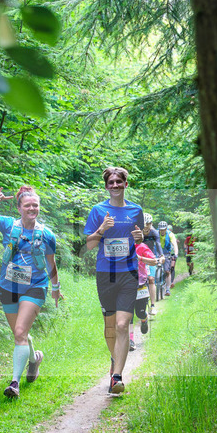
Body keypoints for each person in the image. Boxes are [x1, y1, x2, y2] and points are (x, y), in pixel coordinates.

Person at [0, 186, 62, 398]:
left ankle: (14, 383)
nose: (32, 208)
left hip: (35, 287)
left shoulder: (47, 235)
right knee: (19, 334)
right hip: (9, 286)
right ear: (19, 208)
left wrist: (56, 288)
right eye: (27, 205)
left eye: (35, 205)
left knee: (20, 333)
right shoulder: (7, 225)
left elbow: (51, 262)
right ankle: (34, 359)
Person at [83, 166, 144, 394]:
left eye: (119, 182)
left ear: (126, 184)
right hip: (105, 274)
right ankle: (115, 358)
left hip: (129, 272)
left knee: (122, 325)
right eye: (111, 182)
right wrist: (101, 229)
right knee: (110, 326)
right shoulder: (98, 210)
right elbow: (89, 245)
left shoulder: (135, 210)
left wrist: (139, 237)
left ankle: (117, 377)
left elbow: (138, 239)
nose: (116, 185)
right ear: (106, 186)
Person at [134, 238, 163, 341]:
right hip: (125, 285)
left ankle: (144, 319)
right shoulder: (122, 247)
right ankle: (130, 340)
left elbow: (154, 261)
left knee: (140, 313)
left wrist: (139, 258)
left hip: (141, 283)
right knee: (126, 315)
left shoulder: (141, 246)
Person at [142, 214, 161, 316]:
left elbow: (158, 244)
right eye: (144, 224)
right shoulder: (137, 232)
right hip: (139, 259)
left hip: (150, 257)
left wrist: (161, 255)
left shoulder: (154, 232)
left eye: (148, 224)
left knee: (151, 279)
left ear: (151, 224)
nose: (146, 226)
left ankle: (153, 305)